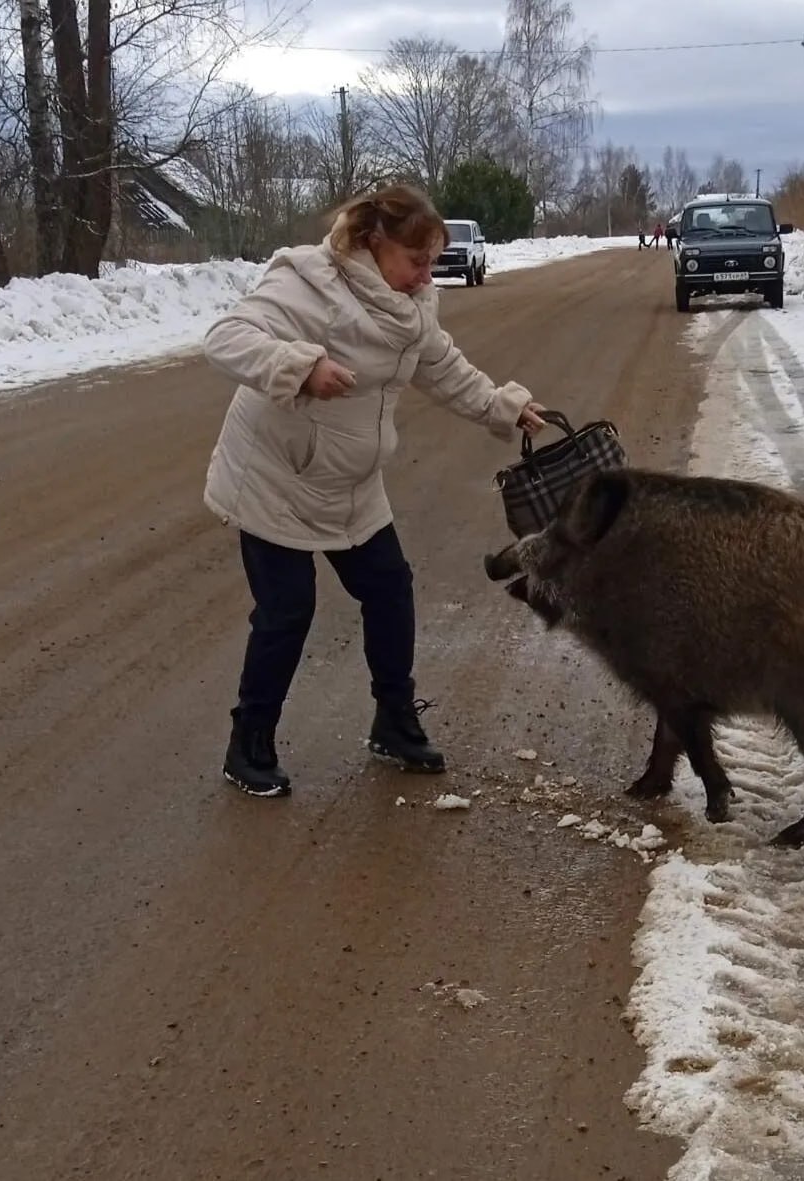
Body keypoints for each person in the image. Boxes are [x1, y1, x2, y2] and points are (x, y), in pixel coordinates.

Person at [201, 183, 547, 798]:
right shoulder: (310, 282)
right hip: (278, 477)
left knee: (389, 589)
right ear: (374, 241)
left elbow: (442, 366)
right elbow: (226, 338)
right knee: (287, 611)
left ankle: (393, 721)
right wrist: (300, 367)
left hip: (351, 481)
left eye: (432, 263)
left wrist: (501, 406)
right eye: (417, 261)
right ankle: (248, 742)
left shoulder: (410, 305)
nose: (426, 276)